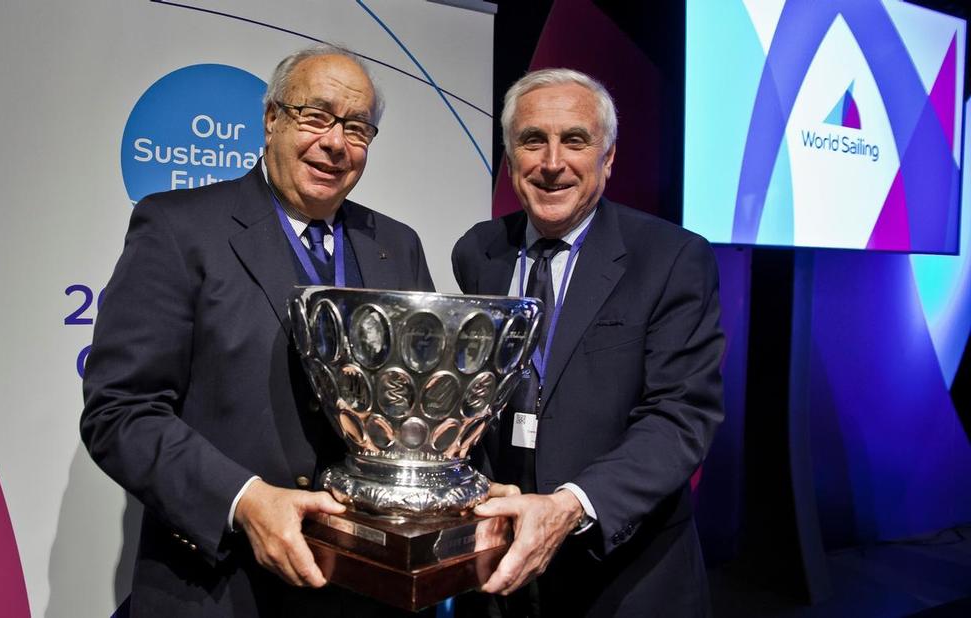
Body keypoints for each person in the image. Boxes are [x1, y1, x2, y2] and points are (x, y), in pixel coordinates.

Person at [81, 44, 434, 616]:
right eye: (315, 116)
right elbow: (120, 412)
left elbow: (418, 400)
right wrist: (243, 501)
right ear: (271, 119)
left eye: (357, 128)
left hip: (366, 586)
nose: (335, 143)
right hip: (220, 583)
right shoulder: (178, 227)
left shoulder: (397, 245)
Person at [452, 68, 725, 617]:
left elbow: (680, 416)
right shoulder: (478, 252)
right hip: (499, 574)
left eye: (575, 140)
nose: (553, 163)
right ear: (509, 160)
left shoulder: (671, 259)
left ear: (608, 157)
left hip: (625, 574)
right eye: (533, 141)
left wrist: (570, 506)